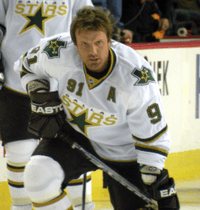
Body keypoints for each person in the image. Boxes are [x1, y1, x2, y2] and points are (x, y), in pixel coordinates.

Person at [14, 6, 180, 210]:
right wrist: (37, 91)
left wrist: (151, 173)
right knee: (38, 177)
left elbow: (153, 134)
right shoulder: (58, 51)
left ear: (110, 41)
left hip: (124, 152)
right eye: (84, 44)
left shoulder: (135, 78)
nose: (93, 52)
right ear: (74, 44)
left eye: (99, 43)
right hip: (75, 135)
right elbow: (25, 66)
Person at [0, 1, 95, 210]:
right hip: (16, 86)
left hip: (65, 88)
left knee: (71, 157)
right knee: (20, 155)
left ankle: (81, 205)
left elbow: (91, 24)